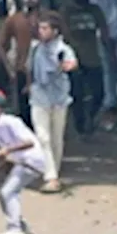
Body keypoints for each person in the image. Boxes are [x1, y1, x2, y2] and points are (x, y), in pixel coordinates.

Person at [0, 90, 45, 234]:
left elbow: (29, 142)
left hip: (32, 161)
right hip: (21, 162)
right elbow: (8, 156)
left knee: (8, 192)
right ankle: (21, 226)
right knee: (3, 195)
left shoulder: (10, 121)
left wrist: (8, 149)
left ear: (1, 109)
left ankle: (15, 228)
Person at [28, 13, 77, 193]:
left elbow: (71, 62)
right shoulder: (35, 47)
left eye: (45, 28)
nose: (41, 31)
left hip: (59, 98)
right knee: (43, 137)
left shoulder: (62, 49)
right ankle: (51, 176)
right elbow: (29, 68)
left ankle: (53, 174)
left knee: (56, 137)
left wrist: (67, 66)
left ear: (55, 31)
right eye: (40, 28)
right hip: (39, 96)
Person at [61, 0, 110, 138]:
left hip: (93, 57)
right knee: (77, 94)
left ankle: (91, 118)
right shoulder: (66, 11)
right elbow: (64, 34)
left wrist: (108, 48)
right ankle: (81, 126)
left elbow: (104, 30)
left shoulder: (95, 10)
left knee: (99, 93)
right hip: (73, 59)